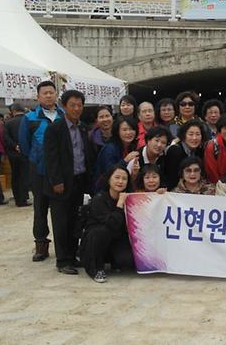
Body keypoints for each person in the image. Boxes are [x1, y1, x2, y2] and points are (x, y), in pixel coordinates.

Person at [44, 90, 94, 275]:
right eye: (72, 105)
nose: (76, 108)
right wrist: (56, 180)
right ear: (64, 106)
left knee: (75, 220)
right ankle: (62, 260)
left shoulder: (83, 128)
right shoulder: (55, 128)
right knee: (61, 222)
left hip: (79, 181)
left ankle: (72, 256)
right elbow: (51, 157)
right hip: (61, 184)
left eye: (80, 105)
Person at [19, 80, 64, 262]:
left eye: (51, 92)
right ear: (38, 97)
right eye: (44, 93)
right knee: (40, 208)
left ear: (56, 95)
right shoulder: (30, 118)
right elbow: (24, 145)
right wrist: (38, 159)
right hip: (39, 172)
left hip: (61, 172)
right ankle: (41, 245)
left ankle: (65, 244)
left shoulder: (63, 115)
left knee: (62, 209)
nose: (48, 95)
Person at [80, 165, 135, 283]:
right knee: (102, 231)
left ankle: (113, 260)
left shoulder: (129, 198)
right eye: (117, 177)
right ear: (109, 179)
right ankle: (96, 268)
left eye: (124, 178)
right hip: (95, 241)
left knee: (127, 261)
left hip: (116, 240)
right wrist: (120, 204)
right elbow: (112, 223)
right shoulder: (99, 199)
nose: (120, 181)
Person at [94, 116, 139, 193]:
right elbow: (109, 172)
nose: (128, 133)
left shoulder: (131, 147)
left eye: (131, 129)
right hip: (106, 191)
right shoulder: (110, 149)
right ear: (117, 131)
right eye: (124, 130)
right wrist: (125, 160)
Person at [163, 119, 206, 190]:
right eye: (190, 134)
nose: (194, 138)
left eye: (198, 134)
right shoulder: (175, 151)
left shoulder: (199, 150)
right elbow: (171, 179)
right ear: (183, 135)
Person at [3, 103, 31, 207]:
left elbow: (5, 138)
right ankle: (24, 199)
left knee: (15, 176)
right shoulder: (28, 121)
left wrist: (15, 146)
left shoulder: (8, 123)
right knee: (24, 175)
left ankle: (17, 199)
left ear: (13, 111)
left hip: (13, 154)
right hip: (26, 153)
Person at [203, 114, 226, 184]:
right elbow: (211, 172)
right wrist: (221, 186)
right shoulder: (212, 146)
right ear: (220, 129)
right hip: (217, 184)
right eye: (225, 128)